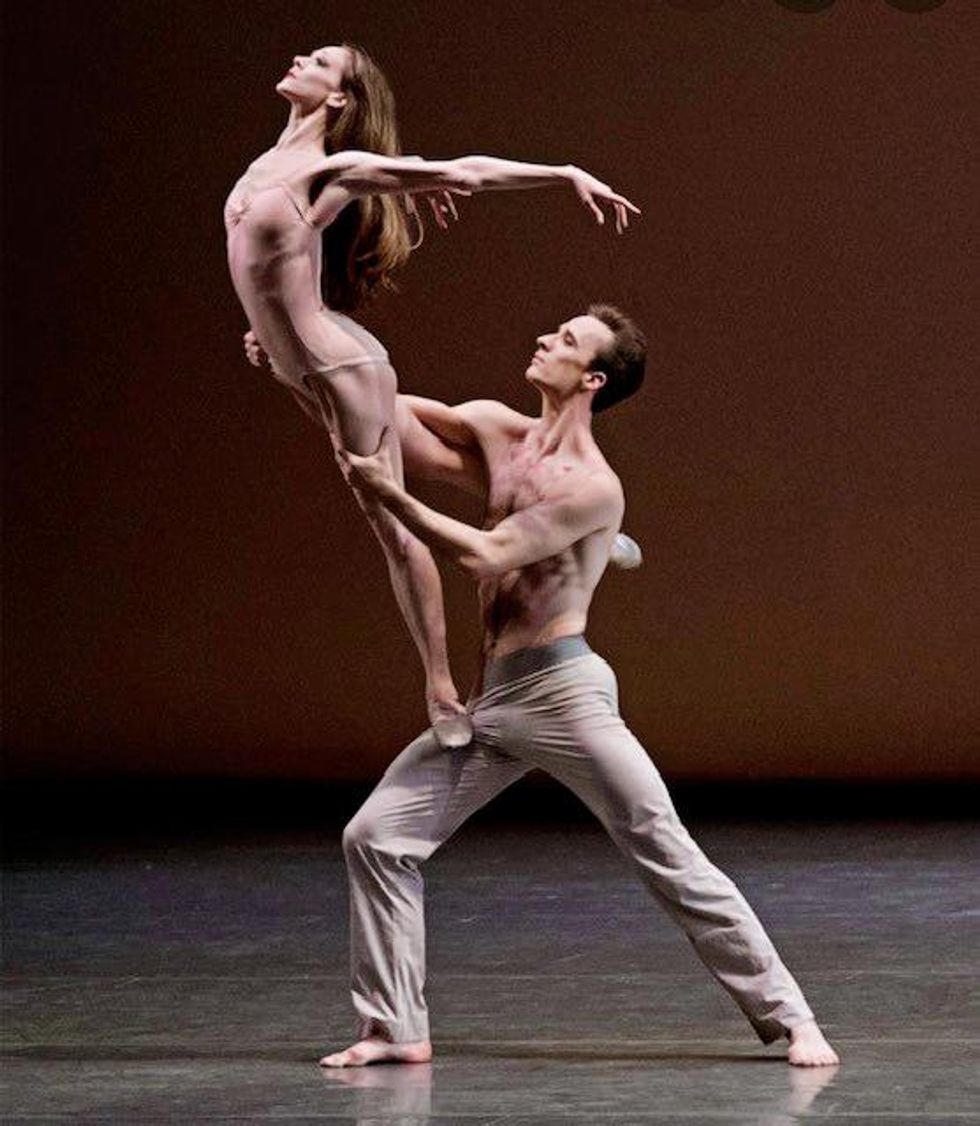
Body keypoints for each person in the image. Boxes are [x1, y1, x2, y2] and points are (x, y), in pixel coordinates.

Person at [321, 304, 840, 1069]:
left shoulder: (595, 486)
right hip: (493, 700)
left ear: (592, 379)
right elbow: (374, 407)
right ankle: (395, 1027)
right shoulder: (496, 429)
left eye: (564, 340)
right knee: (375, 839)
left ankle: (793, 1019)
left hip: (564, 695)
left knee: (664, 849)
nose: (542, 338)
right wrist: (301, 366)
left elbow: (489, 553)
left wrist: (392, 498)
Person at [226, 42, 639, 746]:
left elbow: (465, 173)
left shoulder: (333, 170)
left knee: (393, 518)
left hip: (339, 368)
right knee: (437, 461)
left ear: (339, 99)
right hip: (306, 365)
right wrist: (268, 332)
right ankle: (596, 533)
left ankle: (442, 690)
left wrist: (563, 172)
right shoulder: (269, 167)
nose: (298, 58)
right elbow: (266, 271)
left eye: (320, 60)